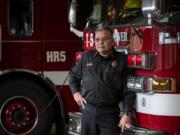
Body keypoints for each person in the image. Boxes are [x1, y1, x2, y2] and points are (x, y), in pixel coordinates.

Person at [69, 25, 136, 135]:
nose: (101, 42)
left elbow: (129, 90)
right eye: (97, 39)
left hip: (109, 114)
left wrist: (127, 113)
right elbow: (73, 76)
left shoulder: (122, 60)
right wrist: (75, 93)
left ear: (113, 40)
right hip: (88, 111)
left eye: (105, 39)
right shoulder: (87, 57)